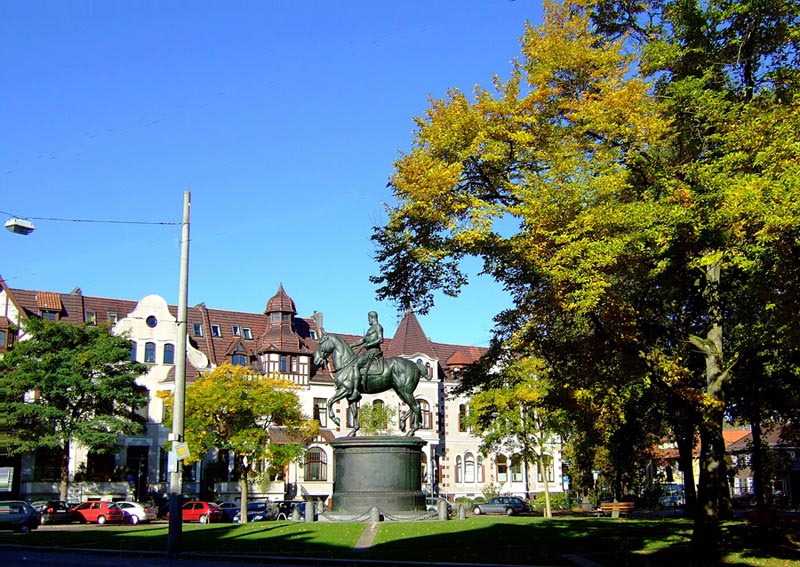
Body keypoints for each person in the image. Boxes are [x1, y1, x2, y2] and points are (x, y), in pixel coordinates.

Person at [349, 311, 384, 401]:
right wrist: (352, 345)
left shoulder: (378, 327)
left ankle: (356, 390)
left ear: (372, 317)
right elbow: (362, 340)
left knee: (356, 365)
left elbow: (380, 339)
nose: (368, 320)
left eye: (369, 318)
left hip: (373, 351)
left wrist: (369, 345)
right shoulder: (370, 328)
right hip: (368, 351)